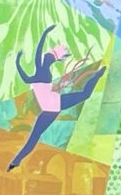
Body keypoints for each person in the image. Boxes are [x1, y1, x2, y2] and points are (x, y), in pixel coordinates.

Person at [8, 24, 106, 171]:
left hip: (53, 106)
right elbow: (38, 53)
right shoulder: (42, 72)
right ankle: (15, 161)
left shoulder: (40, 72)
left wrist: (18, 62)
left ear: (48, 61)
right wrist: (44, 34)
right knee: (33, 138)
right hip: (53, 107)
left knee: (33, 138)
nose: (45, 58)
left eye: (47, 57)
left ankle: (15, 161)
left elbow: (34, 59)